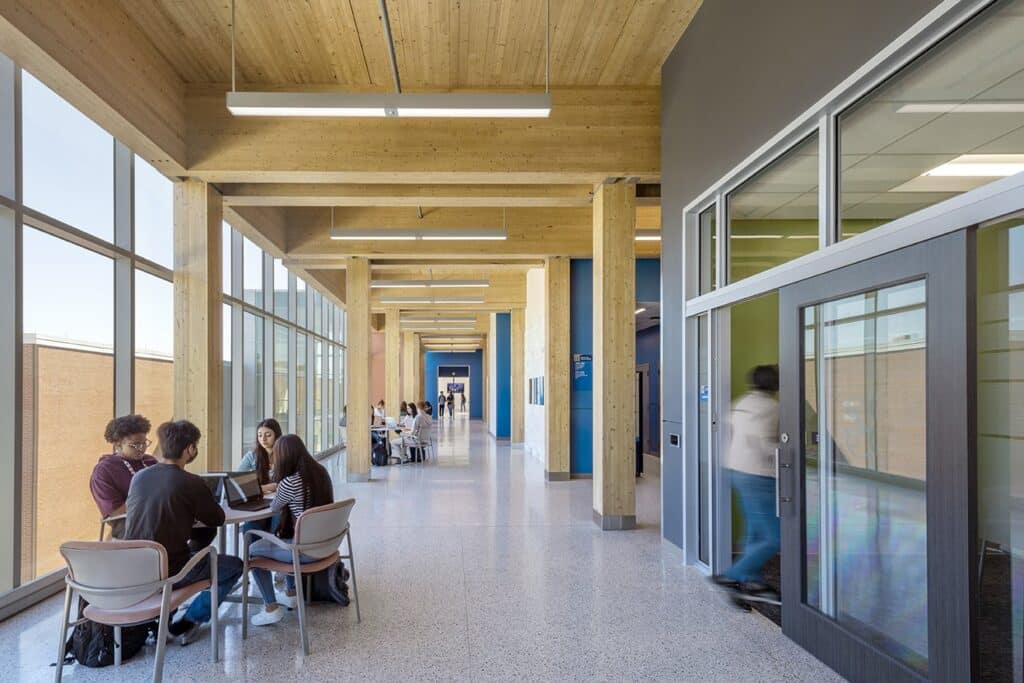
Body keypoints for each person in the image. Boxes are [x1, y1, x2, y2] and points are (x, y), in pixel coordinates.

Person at [124, 420, 243, 645]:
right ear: (190, 449)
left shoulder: (139, 477)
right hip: (170, 571)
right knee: (234, 566)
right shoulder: (191, 482)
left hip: (135, 568)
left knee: (197, 543)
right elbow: (217, 518)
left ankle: (165, 615)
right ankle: (190, 619)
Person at [712, 365, 781, 604]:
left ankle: (752, 581)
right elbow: (762, 442)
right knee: (775, 538)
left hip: (736, 470)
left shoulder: (742, 403)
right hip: (758, 475)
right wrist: (788, 453)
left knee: (755, 529)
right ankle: (731, 576)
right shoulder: (771, 408)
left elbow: (730, 429)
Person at [248, 434, 334, 626]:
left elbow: (274, 508)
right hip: (327, 546)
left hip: (303, 552)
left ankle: (271, 608)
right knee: (287, 533)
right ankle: (291, 592)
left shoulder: (290, 482)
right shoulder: (322, 473)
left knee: (252, 550)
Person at [89, 414, 157, 539]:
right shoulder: (105, 470)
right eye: (135, 445)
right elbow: (116, 512)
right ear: (118, 444)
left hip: (158, 515)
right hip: (127, 524)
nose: (141, 449)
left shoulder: (150, 462)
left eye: (144, 443)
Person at [239, 418, 282, 492]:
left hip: (283, 497)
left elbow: (295, 482)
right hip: (261, 497)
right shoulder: (251, 455)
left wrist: (269, 487)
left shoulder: (286, 454)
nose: (263, 439)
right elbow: (237, 479)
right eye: (260, 435)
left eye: (268, 435)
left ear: (277, 435)